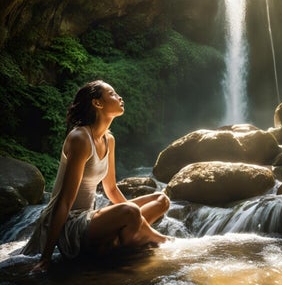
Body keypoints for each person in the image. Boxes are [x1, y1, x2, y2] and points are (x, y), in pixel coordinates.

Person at [21, 80, 170, 271]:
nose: (119, 97)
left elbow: (111, 188)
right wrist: (46, 257)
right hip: (71, 224)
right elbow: (64, 202)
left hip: (90, 218)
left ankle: (116, 241)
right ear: (97, 103)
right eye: (112, 94)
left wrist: (131, 214)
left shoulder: (109, 139)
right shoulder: (80, 138)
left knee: (161, 200)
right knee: (130, 212)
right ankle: (154, 240)